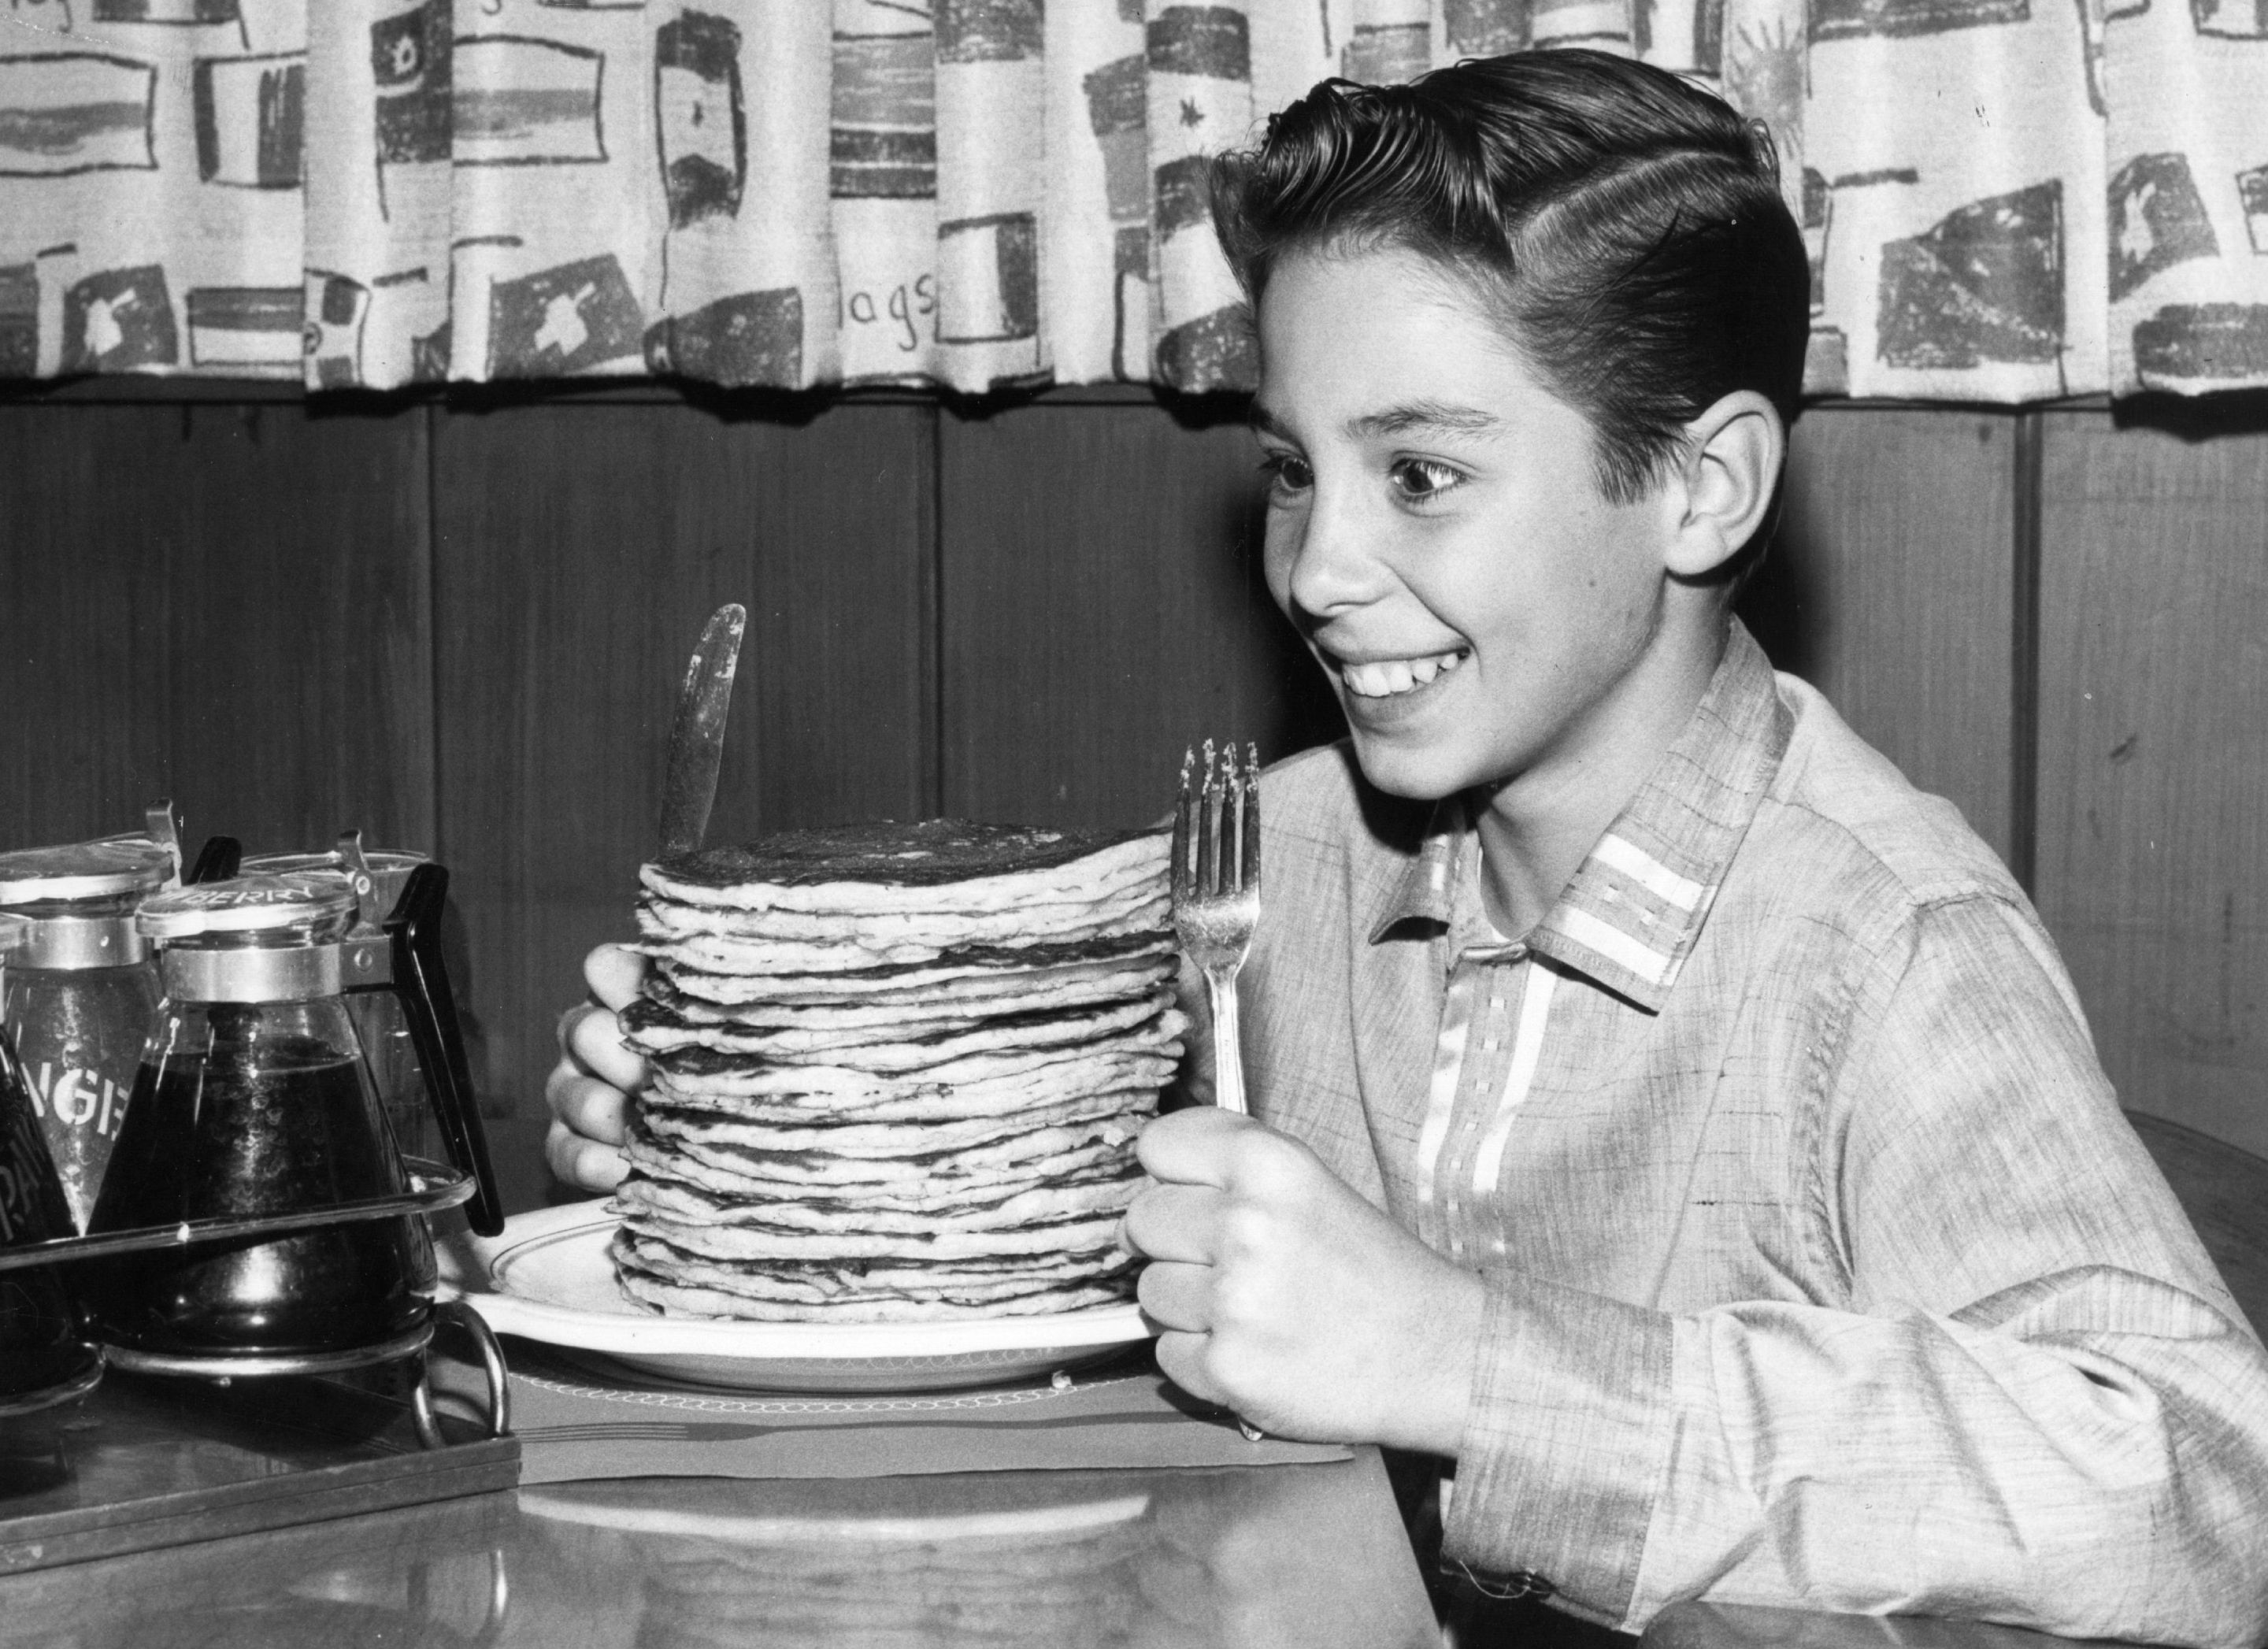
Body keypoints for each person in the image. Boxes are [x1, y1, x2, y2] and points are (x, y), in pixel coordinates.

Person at [547, 51, 2268, 1646]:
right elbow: (1011, 1227)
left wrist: (1471, 1362)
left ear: (1704, 488)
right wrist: (745, 1134)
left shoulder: (1884, 942)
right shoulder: (1260, 868)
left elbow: (2202, 1491)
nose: (1315, 571)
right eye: (1296, 473)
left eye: (1423, 475)